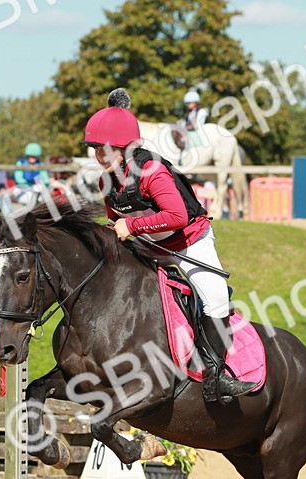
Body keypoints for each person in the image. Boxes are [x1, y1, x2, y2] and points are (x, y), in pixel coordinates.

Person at [83, 88, 258, 403]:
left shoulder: (152, 172)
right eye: (96, 149)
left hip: (190, 242)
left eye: (105, 149)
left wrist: (132, 226)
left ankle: (215, 377)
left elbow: (176, 216)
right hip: (152, 247)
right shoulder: (106, 182)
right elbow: (117, 224)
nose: (99, 156)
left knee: (216, 298)